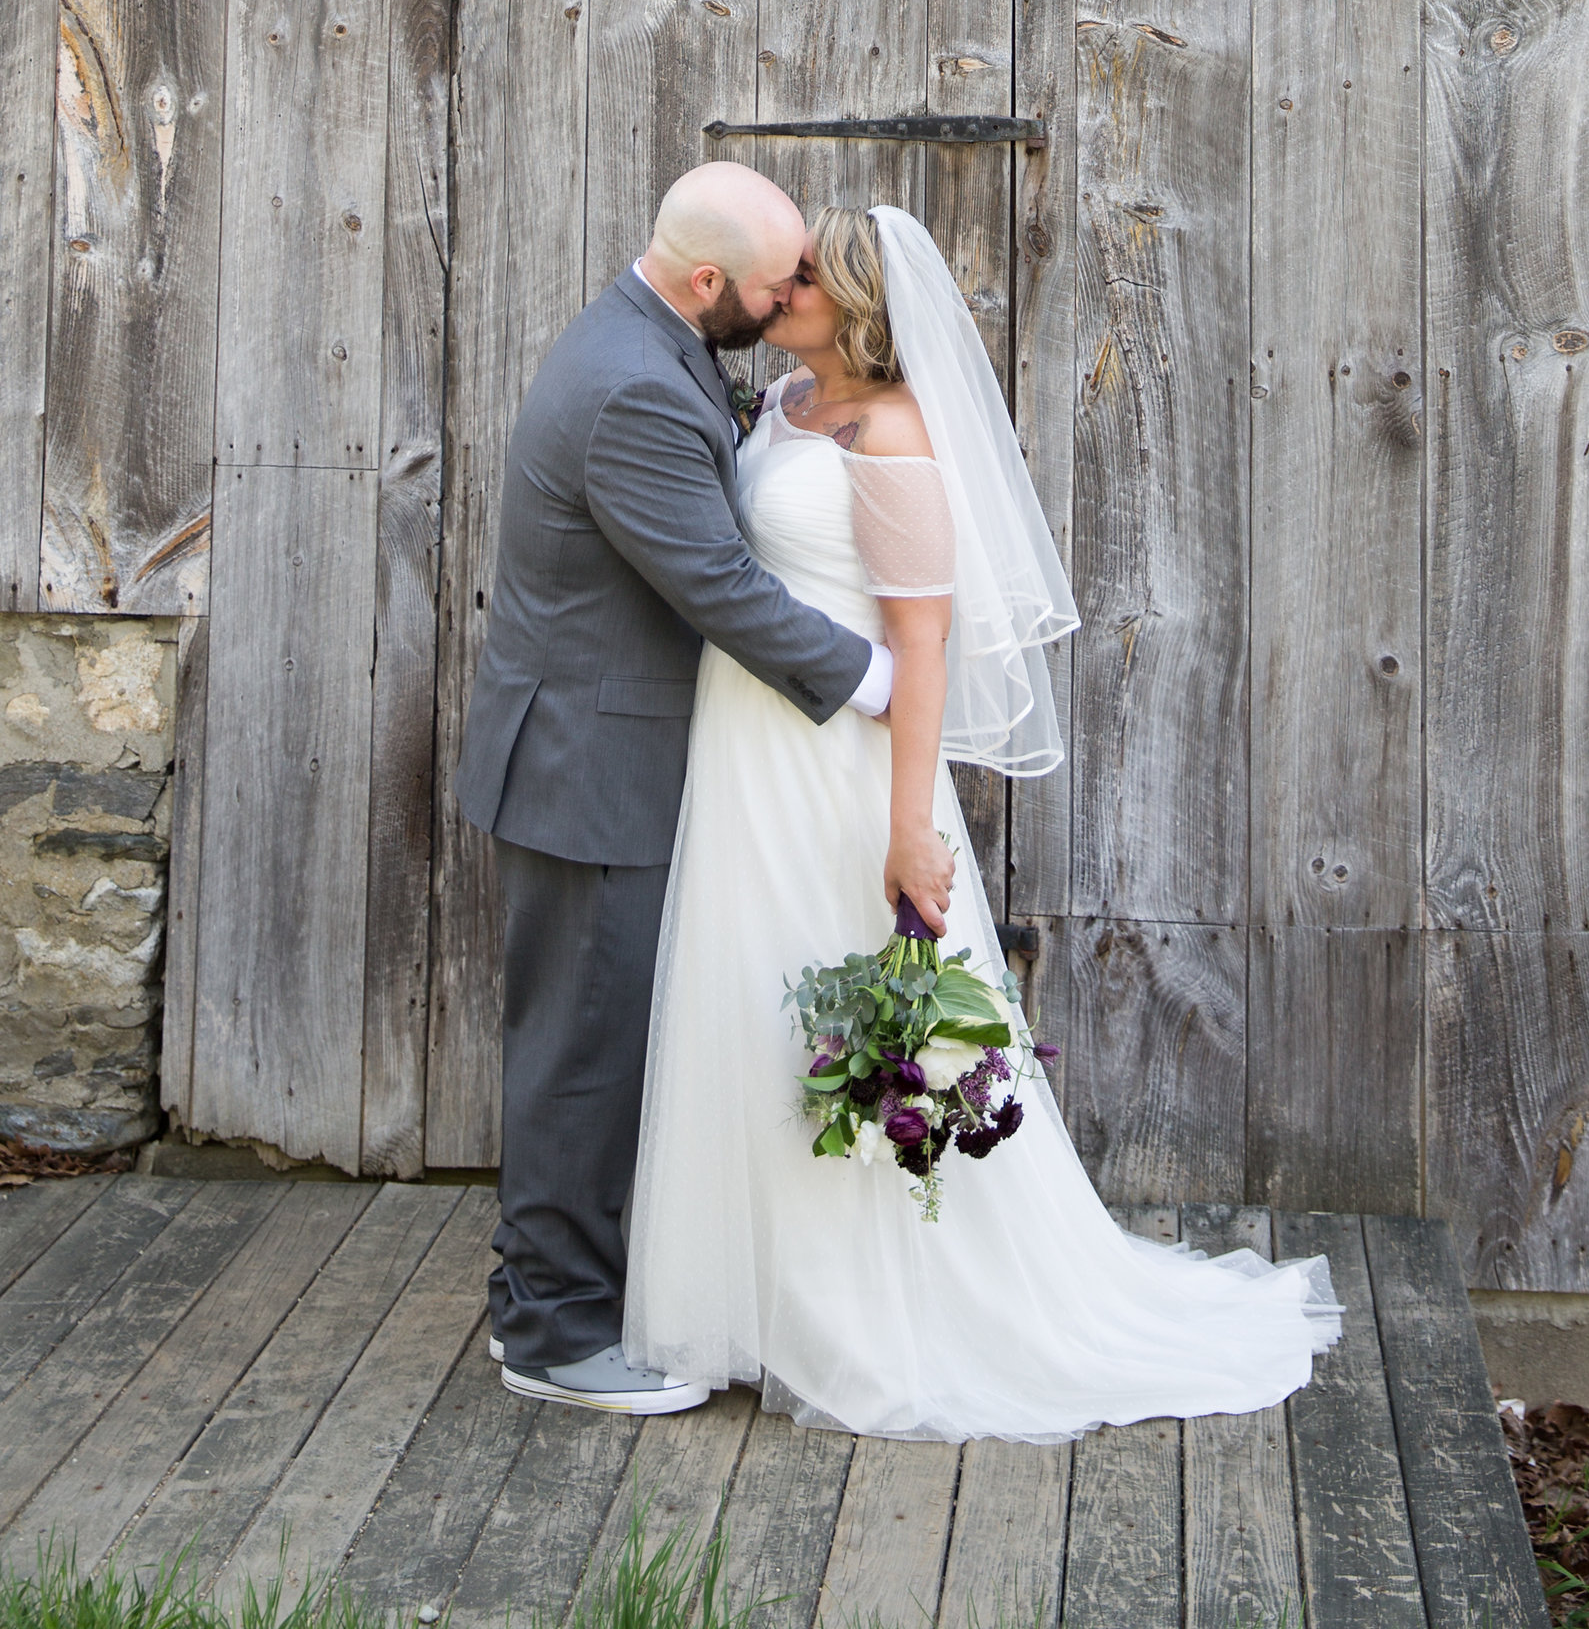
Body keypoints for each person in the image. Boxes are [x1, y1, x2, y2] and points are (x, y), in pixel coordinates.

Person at [624, 200, 1339, 1440]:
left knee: (839, 1017)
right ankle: (759, 1303)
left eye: (799, 283)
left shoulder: (895, 438)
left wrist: (911, 831)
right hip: (744, 755)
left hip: (837, 778)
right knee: (747, 1010)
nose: (775, 294)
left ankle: (866, 1320)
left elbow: (923, 646)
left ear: (853, 307)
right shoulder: (786, 409)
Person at [454, 162, 941, 1417]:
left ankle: (585, 1296)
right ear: (710, 279)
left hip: (609, 750)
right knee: (580, 1051)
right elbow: (718, 586)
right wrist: (879, 681)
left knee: (599, 1039)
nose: (790, 299)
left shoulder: (655, 339)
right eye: (776, 280)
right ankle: (552, 1336)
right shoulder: (632, 387)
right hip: (587, 764)